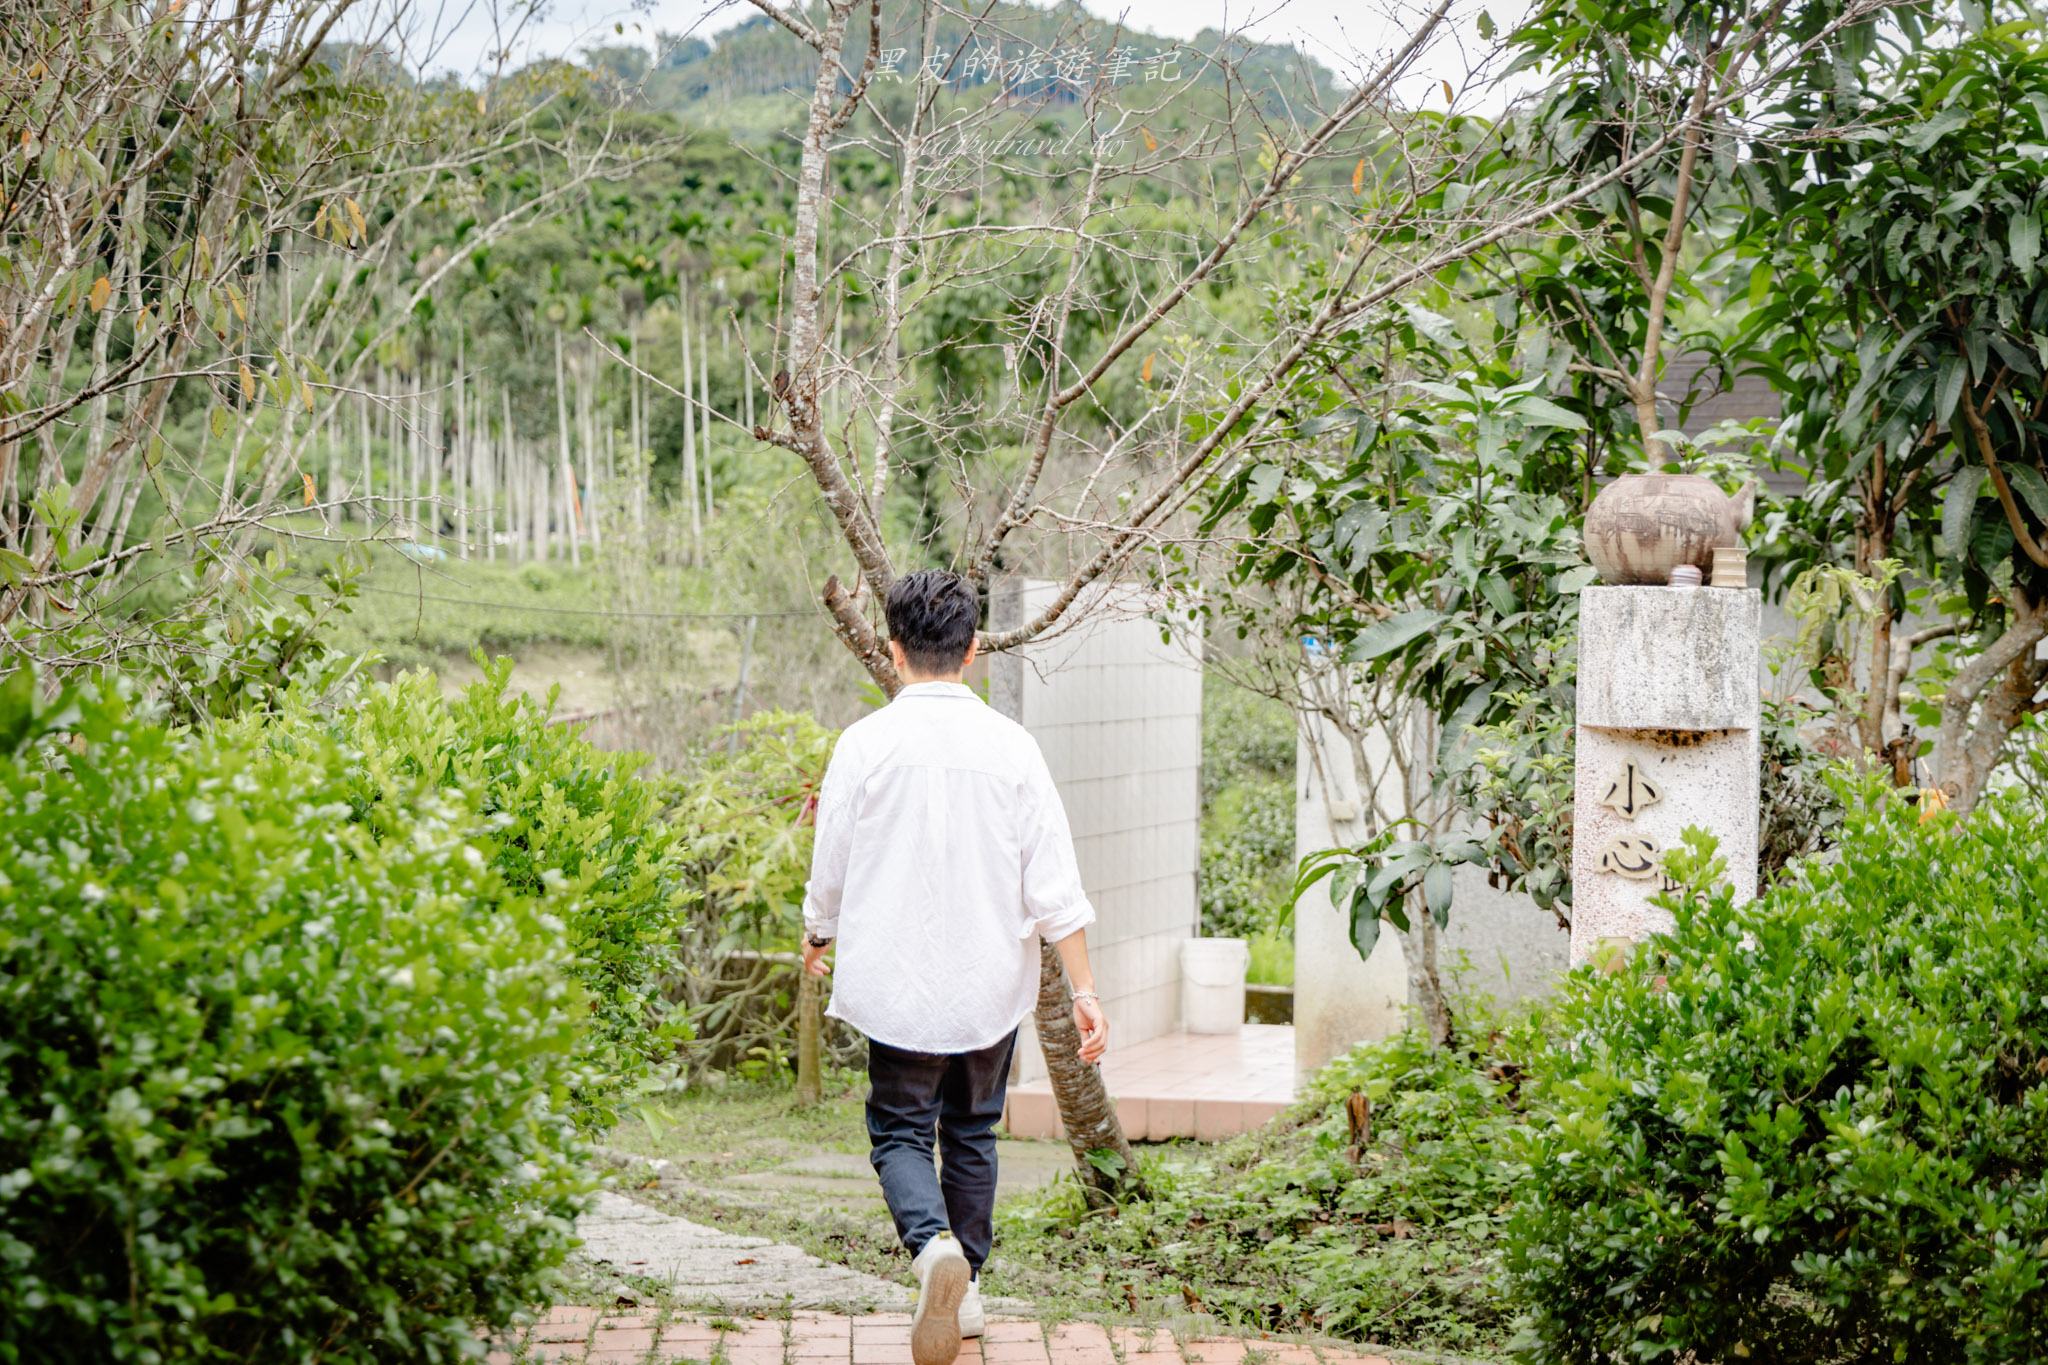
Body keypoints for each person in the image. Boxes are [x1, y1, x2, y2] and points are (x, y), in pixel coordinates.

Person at [801, 568, 1110, 1365]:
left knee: (899, 1129)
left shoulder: (865, 744)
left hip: (895, 982)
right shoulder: (1013, 747)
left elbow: (831, 858)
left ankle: (933, 1245)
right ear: (972, 651)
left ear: (894, 651)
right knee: (972, 1130)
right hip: (987, 985)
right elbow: (1054, 881)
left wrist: (817, 931)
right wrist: (1084, 989)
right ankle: (965, 1284)